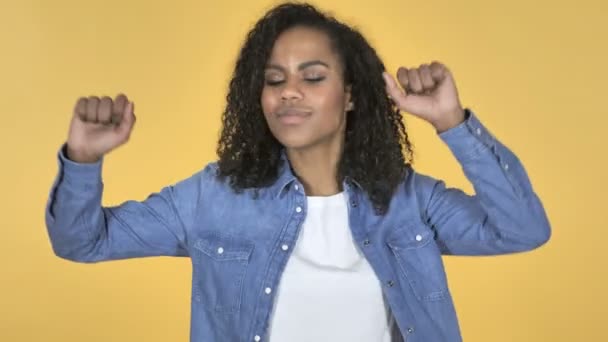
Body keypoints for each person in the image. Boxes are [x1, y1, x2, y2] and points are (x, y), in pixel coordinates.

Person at [44, 2, 551, 342]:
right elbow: (81, 242)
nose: (289, 92)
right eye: (274, 79)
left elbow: (522, 230)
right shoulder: (211, 198)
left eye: (313, 77)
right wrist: (84, 160)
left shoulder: (410, 201)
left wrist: (452, 123)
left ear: (350, 94)